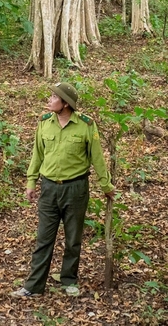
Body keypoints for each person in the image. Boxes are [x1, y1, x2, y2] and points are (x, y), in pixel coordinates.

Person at [12, 82, 115, 298]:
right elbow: (37, 154)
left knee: (73, 238)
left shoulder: (86, 125)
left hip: (76, 188)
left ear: (65, 104)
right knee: (43, 238)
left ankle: (69, 280)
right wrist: (31, 181)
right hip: (49, 188)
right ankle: (34, 286)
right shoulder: (44, 123)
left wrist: (105, 185)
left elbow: (97, 157)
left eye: (54, 97)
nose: (49, 100)